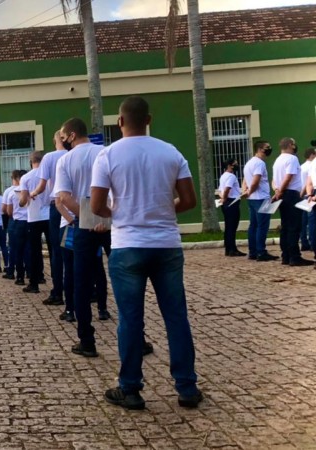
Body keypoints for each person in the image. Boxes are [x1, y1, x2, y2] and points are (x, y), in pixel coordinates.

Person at [91, 96, 202, 411]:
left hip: (127, 246)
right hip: (166, 243)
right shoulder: (171, 152)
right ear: (149, 119)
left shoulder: (108, 155)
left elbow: (97, 205)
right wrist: (163, 210)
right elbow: (189, 200)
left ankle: (131, 389)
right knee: (176, 317)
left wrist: (122, 213)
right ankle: (187, 387)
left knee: (130, 318)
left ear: (120, 122)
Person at [54, 118, 111, 358]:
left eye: (64, 137)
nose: (63, 141)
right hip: (109, 221)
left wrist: (87, 217)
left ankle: (86, 340)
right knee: (120, 276)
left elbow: (64, 197)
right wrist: (102, 217)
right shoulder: (106, 152)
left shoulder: (65, 160)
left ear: (72, 135)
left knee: (81, 282)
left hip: (82, 223)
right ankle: (137, 339)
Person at [30, 130, 68, 305]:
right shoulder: (72, 154)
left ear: (56, 140)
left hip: (57, 204)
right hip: (79, 204)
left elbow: (42, 185)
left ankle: (58, 292)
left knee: (57, 249)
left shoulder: (50, 158)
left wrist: (34, 193)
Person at [272, 138, 313, 266]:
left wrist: (277, 191)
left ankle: (286, 255)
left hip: (282, 194)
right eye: (294, 143)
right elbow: (288, 176)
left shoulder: (277, 160)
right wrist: (281, 190)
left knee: (285, 226)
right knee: (294, 227)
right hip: (290, 194)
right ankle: (294, 257)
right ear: (290, 145)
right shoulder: (292, 158)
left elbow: (274, 180)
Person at [18, 151, 50, 294]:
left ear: (31, 161)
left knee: (34, 252)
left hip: (34, 217)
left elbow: (23, 200)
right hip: (49, 216)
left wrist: (20, 202)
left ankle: (34, 283)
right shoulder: (48, 176)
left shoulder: (26, 177)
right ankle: (58, 284)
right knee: (54, 251)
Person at [242, 141, 278, 261]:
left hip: (252, 199)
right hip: (261, 197)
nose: (269, 149)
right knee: (262, 226)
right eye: (267, 147)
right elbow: (256, 181)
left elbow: (245, 180)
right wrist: (250, 191)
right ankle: (261, 252)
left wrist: (246, 191)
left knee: (253, 225)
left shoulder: (249, 163)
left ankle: (253, 251)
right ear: (260, 149)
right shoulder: (259, 163)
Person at [6, 170, 30, 285]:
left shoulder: (12, 193)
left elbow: (9, 211)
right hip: (30, 221)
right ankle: (32, 273)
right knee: (31, 249)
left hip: (18, 222)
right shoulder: (31, 190)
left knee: (18, 251)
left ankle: (20, 277)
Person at [218, 160, 245, 257]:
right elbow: (227, 189)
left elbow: (220, 190)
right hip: (232, 202)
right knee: (232, 227)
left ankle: (228, 249)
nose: (237, 165)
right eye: (235, 163)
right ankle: (232, 249)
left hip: (226, 202)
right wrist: (225, 198)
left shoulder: (223, 176)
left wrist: (222, 198)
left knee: (228, 226)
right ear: (229, 165)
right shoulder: (231, 176)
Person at [1, 172, 21, 280]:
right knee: (26, 247)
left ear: (12, 178)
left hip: (13, 220)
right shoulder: (27, 188)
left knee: (13, 247)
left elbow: (4, 209)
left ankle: (11, 271)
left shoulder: (9, 191)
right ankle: (28, 272)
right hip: (27, 220)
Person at [299, 148, 315, 252]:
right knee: (311, 222)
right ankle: (309, 242)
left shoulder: (301, 166)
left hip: (305, 195)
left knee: (304, 221)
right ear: (312, 155)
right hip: (311, 194)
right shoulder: (311, 165)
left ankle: (304, 242)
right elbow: (307, 182)